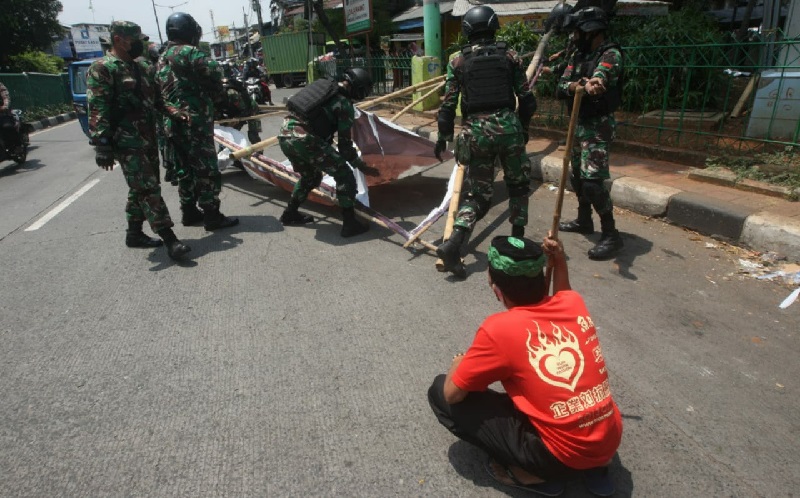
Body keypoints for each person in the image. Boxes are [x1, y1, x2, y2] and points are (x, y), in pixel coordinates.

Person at [428, 234, 622, 497]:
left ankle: (533, 474)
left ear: (496, 288)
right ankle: (594, 467)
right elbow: (563, 293)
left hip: (559, 456)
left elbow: (453, 393)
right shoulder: (573, 304)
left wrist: (459, 362)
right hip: (607, 439)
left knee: (440, 391)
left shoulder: (499, 330)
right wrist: (560, 260)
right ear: (542, 279)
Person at [434, 5, 538, 279]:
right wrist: (523, 129)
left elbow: (447, 106)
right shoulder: (511, 55)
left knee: (478, 195)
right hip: (508, 130)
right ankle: (517, 244)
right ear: (494, 27)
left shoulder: (458, 60)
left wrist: (444, 137)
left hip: (476, 133)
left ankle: (454, 243)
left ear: (467, 30)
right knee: (518, 186)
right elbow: (527, 100)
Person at [86, 21, 190, 260]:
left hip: (147, 137)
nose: (141, 45)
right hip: (125, 140)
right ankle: (170, 239)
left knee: (141, 188)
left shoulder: (142, 67)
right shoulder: (103, 68)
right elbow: (97, 108)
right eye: (136, 40)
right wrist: (102, 144)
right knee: (147, 187)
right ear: (119, 39)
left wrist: (176, 113)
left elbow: (157, 100)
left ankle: (134, 234)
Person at [156, 12, 239, 231]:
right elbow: (214, 71)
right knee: (206, 169)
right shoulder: (188, 52)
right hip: (193, 122)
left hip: (171, 123)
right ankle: (212, 215)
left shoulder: (161, 57)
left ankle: (189, 211)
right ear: (189, 32)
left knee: (184, 169)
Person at [556, 6, 624, 260]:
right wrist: (576, 85)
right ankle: (584, 220)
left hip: (597, 127)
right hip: (578, 125)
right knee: (577, 177)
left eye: (577, 32)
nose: (574, 37)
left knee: (593, 183)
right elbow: (561, 85)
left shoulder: (610, 54)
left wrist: (593, 84)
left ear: (591, 32)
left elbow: (601, 76)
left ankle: (611, 235)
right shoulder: (578, 55)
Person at [277, 68, 374, 238]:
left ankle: (290, 213)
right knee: (344, 174)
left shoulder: (324, 89)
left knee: (311, 177)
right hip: (303, 139)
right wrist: (361, 166)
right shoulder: (344, 104)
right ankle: (350, 223)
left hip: (285, 134)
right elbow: (345, 147)